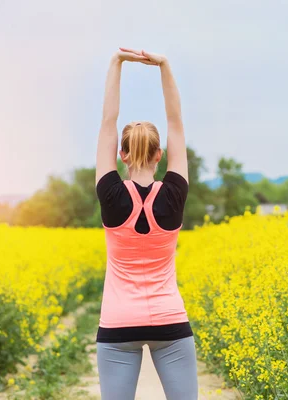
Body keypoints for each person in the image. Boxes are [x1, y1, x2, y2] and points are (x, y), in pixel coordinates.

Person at [94, 47, 198, 400]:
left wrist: (116, 63)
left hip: (117, 324)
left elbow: (109, 122)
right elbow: (176, 125)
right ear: (160, 155)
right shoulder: (173, 194)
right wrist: (165, 67)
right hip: (170, 319)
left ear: (120, 155)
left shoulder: (109, 193)